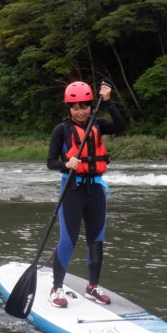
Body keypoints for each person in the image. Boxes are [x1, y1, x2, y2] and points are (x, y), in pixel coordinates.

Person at [46, 81, 125, 308]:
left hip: (96, 190)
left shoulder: (97, 124)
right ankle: (56, 288)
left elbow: (120, 125)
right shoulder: (61, 130)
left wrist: (109, 101)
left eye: (84, 106)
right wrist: (65, 164)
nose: (80, 111)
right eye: (75, 107)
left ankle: (92, 287)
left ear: (91, 106)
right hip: (72, 190)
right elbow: (50, 162)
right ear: (68, 108)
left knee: (96, 240)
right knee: (68, 240)